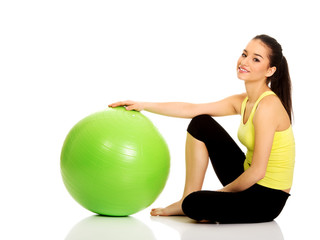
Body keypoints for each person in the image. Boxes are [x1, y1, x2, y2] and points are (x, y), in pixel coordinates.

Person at [108, 34, 295, 223]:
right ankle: (186, 200)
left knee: (195, 204)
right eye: (244, 54)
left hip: (267, 198)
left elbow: (258, 172)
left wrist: (221, 193)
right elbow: (192, 109)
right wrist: (144, 105)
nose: (244, 61)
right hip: (248, 178)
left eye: (256, 59)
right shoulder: (243, 101)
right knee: (200, 124)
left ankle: (192, 204)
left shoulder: (268, 106)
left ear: (270, 70)